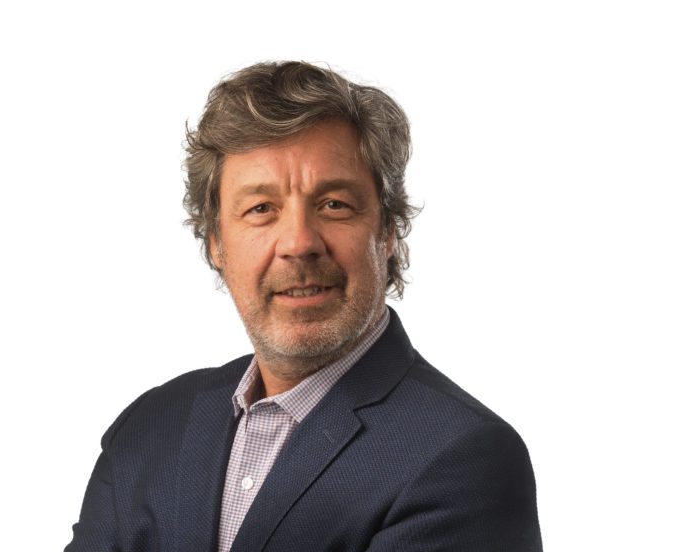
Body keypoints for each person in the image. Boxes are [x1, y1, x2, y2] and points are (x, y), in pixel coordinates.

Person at [65, 61, 543, 552]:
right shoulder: (151, 425)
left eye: (334, 204)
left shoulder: (463, 456)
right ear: (216, 244)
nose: (299, 242)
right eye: (261, 209)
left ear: (387, 232)